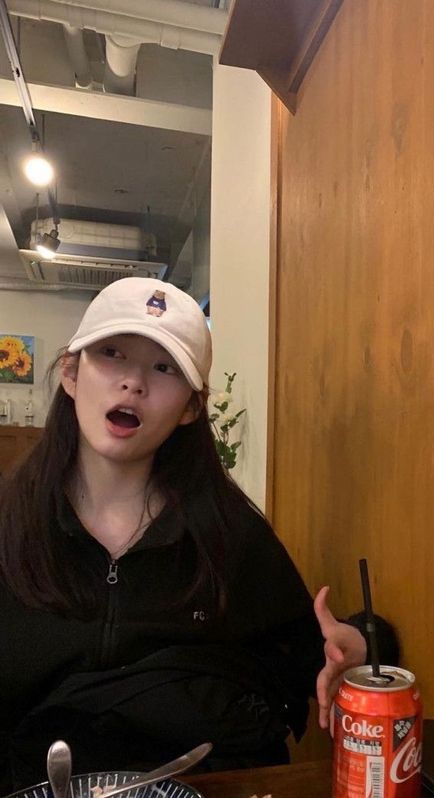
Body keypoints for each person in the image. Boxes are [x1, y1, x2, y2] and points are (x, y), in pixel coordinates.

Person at [0, 277, 366, 792]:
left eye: (164, 367)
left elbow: (310, 651)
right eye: (111, 353)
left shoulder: (229, 533)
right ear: (71, 373)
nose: (133, 383)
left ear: (192, 408)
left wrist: (357, 644)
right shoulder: (10, 521)